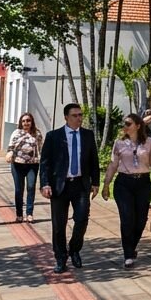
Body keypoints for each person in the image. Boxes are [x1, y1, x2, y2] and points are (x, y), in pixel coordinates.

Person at [40, 102, 99, 274]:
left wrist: (95, 182)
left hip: (80, 185)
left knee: (82, 219)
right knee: (59, 224)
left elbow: (94, 161)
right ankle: (60, 257)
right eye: (75, 115)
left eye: (80, 115)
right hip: (60, 186)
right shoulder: (54, 136)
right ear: (66, 117)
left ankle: (74, 249)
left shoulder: (88, 135)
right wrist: (45, 184)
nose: (79, 118)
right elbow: (45, 163)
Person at [101, 113, 151, 268]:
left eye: (128, 124)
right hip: (124, 184)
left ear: (138, 126)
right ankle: (128, 254)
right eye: (124, 124)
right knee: (127, 218)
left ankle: (132, 246)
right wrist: (106, 184)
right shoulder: (119, 143)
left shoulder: (149, 143)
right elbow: (113, 165)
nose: (125, 126)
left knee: (141, 220)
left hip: (143, 183)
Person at [7, 112, 43, 223]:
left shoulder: (37, 133)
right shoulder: (16, 133)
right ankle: (19, 214)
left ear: (32, 122)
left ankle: (29, 213)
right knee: (19, 189)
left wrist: (43, 161)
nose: (26, 123)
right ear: (20, 122)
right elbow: (11, 146)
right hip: (17, 164)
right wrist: (9, 154)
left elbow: (41, 148)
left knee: (31, 187)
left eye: (28, 120)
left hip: (32, 165)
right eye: (23, 121)